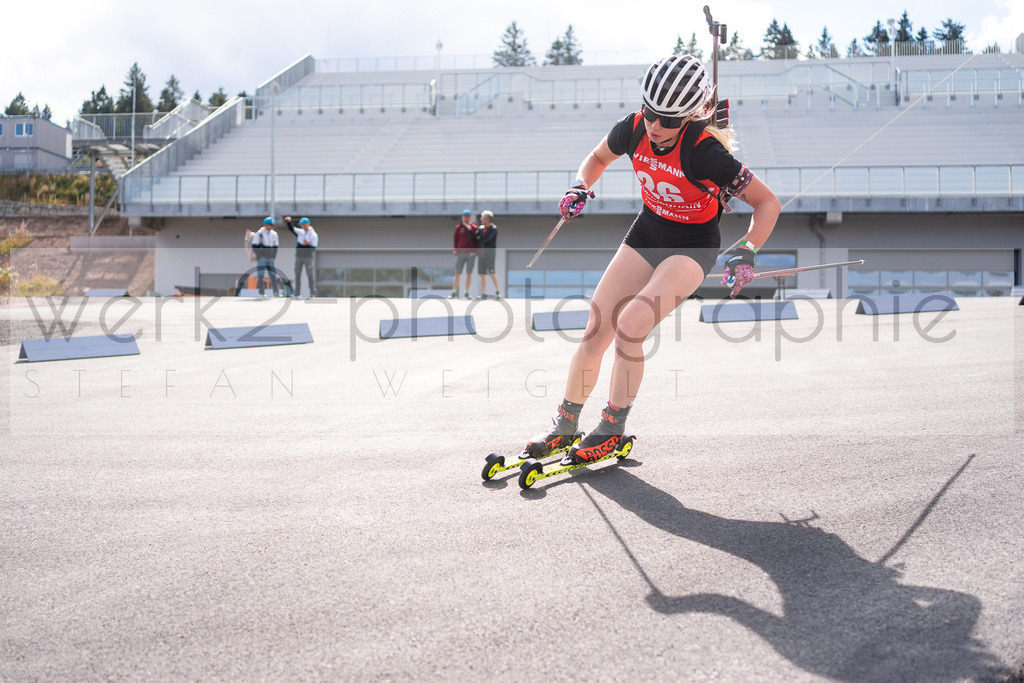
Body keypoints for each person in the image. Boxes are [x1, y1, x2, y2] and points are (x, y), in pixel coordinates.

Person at [525, 54, 781, 465]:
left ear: (689, 117)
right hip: (647, 231)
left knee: (630, 327)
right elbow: (596, 160)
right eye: (649, 113)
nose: (655, 125)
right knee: (596, 329)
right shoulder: (631, 128)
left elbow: (767, 203)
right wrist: (579, 187)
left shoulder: (706, 152)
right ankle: (565, 426)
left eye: (668, 119)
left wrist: (747, 249)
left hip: (693, 245)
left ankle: (611, 426)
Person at [284, 216, 318, 298]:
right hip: (299, 256)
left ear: (308, 224)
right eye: (301, 225)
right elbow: (292, 229)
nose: (302, 226)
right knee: (297, 274)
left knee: (310, 275)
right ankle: (297, 293)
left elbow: (313, 247)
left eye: (304, 224)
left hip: (308, 257)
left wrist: (308, 244)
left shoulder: (313, 235)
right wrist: (289, 222)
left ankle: (312, 293)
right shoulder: (300, 232)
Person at [249, 217, 281, 298]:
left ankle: (276, 292)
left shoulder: (274, 234)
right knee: (261, 275)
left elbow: (276, 245)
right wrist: (259, 255)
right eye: (271, 224)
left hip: (270, 256)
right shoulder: (259, 233)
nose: (272, 226)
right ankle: (261, 292)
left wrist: (273, 255)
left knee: (272, 275)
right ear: (266, 225)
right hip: (262, 256)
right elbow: (254, 245)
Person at [449, 210, 478, 299]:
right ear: (462, 217)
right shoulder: (458, 227)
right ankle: (454, 292)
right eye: (464, 216)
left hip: (470, 253)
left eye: (468, 216)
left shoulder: (474, 228)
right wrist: (456, 250)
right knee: (457, 273)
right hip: (461, 253)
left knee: (469, 273)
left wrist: (475, 252)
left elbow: (476, 240)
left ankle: (466, 292)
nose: (466, 218)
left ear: (470, 218)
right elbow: (455, 239)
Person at [476, 210, 500, 299]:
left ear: (488, 219)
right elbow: (475, 237)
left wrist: (480, 240)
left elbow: (489, 240)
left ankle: (497, 292)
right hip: (481, 254)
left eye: (483, 218)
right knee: (482, 273)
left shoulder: (493, 228)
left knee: (492, 272)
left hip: (490, 254)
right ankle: (483, 293)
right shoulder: (480, 228)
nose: (481, 219)